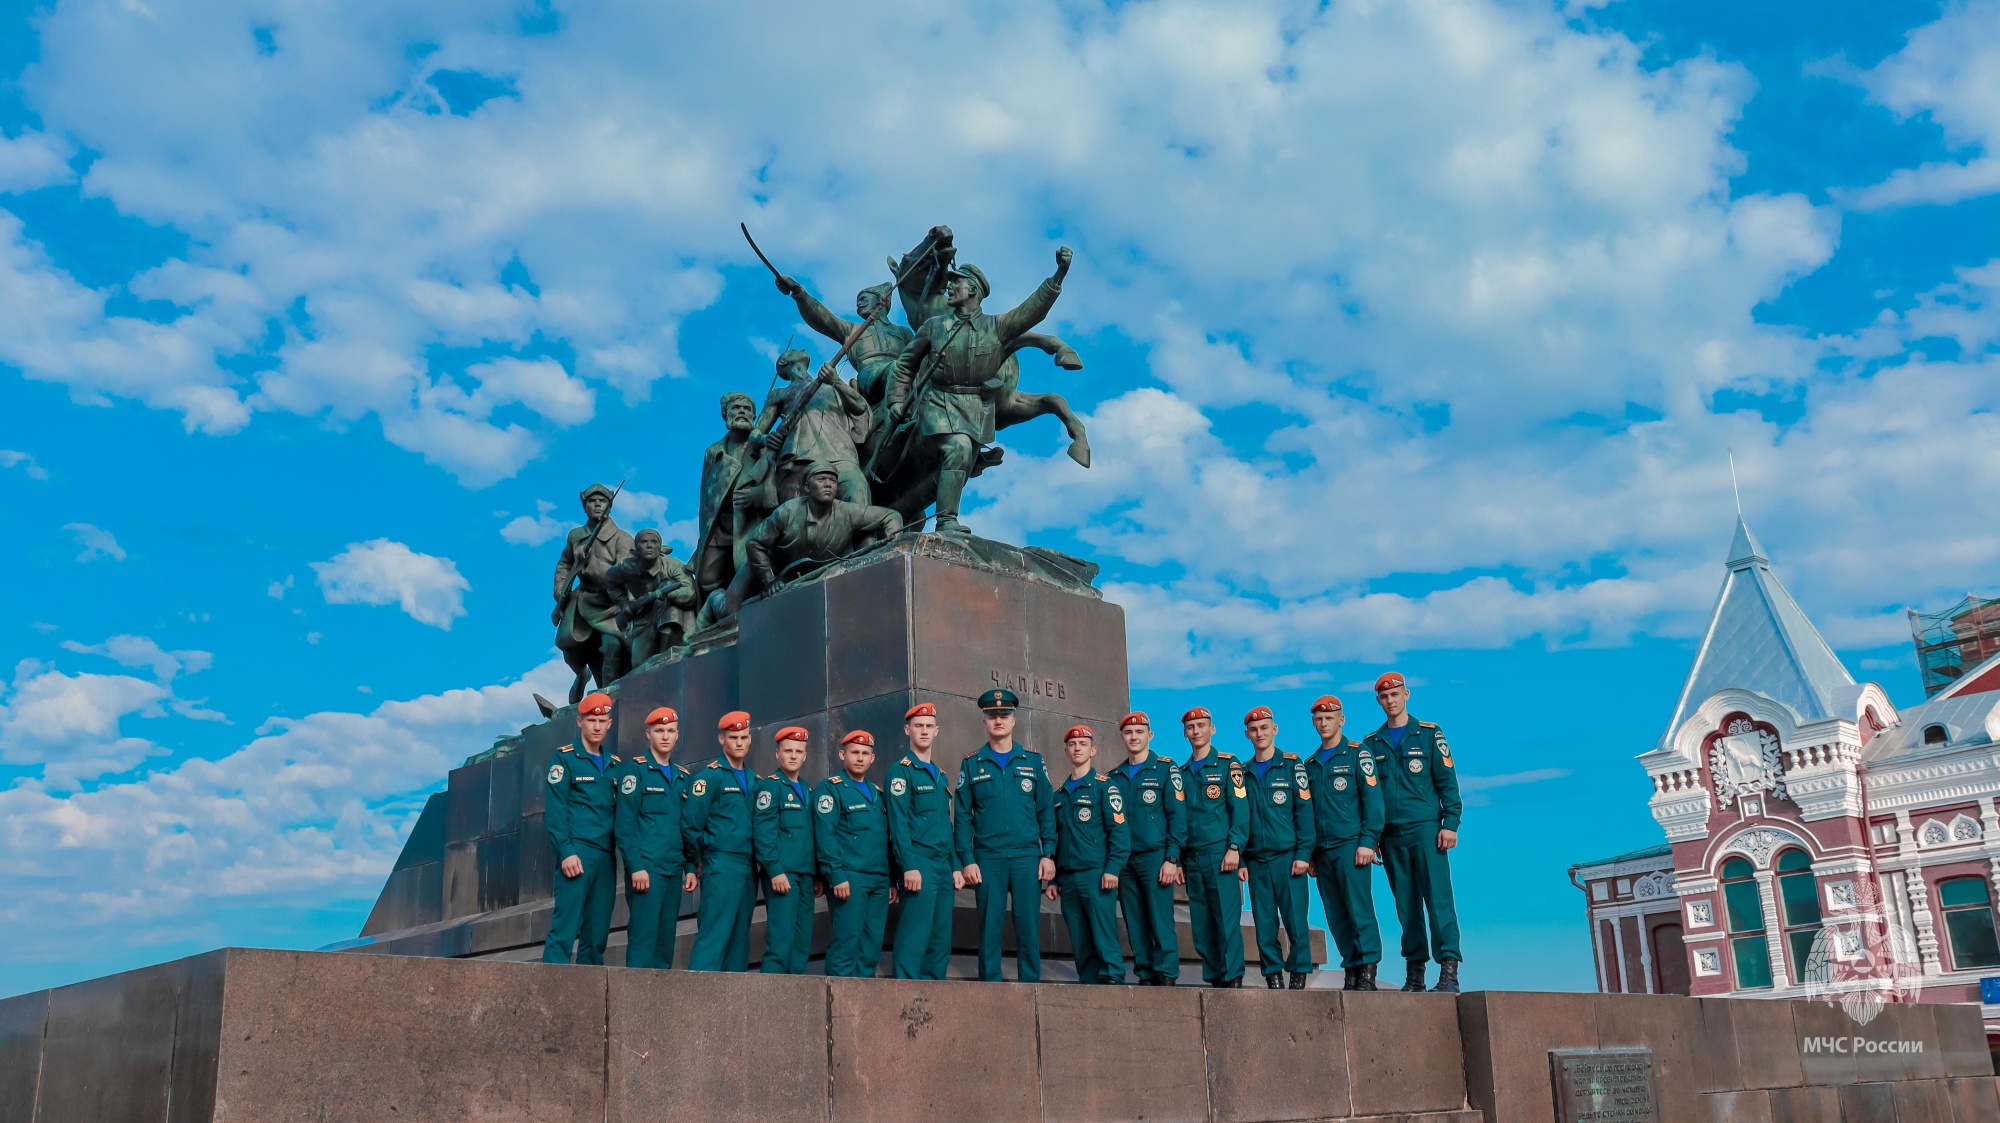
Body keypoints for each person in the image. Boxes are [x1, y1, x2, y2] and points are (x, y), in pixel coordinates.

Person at [886, 247, 1073, 535]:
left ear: (972, 289)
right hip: (939, 401)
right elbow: (904, 366)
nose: (949, 286)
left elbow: (1032, 310)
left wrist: (1059, 274)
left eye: (955, 282)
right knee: (958, 448)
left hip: (975, 407)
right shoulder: (934, 326)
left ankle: (911, 507)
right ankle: (946, 521)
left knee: (961, 463)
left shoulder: (997, 327)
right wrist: (897, 400)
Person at [1360, 672, 1465, 993]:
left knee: (1438, 900)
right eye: (1384, 697)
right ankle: (1415, 974)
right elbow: (1370, 797)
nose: (1390, 701)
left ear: (1407, 695)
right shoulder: (1370, 744)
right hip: (1391, 836)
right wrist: (1373, 835)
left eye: (1395, 695)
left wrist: (1451, 822)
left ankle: (1449, 972)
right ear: (1378, 701)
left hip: (1427, 829)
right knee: (1406, 904)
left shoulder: (1430, 734)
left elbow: (1447, 781)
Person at [954, 688, 1057, 981]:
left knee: (1028, 928)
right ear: (984, 722)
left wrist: (1048, 853)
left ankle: (1031, 987)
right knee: (989, 927)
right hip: (988, 858)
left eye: (1004, 715)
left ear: (1014, 721)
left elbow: (1046, 811)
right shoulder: (972, 764)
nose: (998, 720)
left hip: (1027, 857)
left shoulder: (1033, 762)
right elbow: (962, 816)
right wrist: (966, 859)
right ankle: (990, 989)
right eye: (992, 716)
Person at [1301, 696, 1384, 991]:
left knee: (1359, 909)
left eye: (1329, 718)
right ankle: (1350, 966)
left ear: (1341, 720)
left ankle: (1368, 969)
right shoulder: (1309, 766)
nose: (1324, 724)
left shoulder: (1357, 754)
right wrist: (1309, 853)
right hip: (1322, 852)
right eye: (1319, 720)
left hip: (1351, 846)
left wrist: (1368, 841)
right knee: (1335, 913)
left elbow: (1372, 801)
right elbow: (1306, 813)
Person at [615, 707, 697, 969]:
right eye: (659, 731)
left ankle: (657, 1006)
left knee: (665, 944)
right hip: (647, 869)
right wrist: (636, 867)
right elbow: (625, 825)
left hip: (673, 869)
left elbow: (686, 827)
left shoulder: (683, 778)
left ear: (677, 735)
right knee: (643, 940)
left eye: (670, 731)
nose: (665, 736)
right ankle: (632, 1007)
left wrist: (689, 867)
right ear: (648, 734)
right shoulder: (635, 772)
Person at [541, 692, 621, 964]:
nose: (597, 726)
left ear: (610, 724)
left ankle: (589, 999)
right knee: (564, 930)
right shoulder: (564, 759)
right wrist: (566, 851)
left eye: (602, 720)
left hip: (606, 858)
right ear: (580, 722)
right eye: (591, 720)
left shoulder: (616, 767)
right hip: (577, 852)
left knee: (596, 935)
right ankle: (550, 997)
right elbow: (555, 811)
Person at [1108, 712, 1186, 986]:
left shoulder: (1165, 769)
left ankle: (1166, 972)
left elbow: (1177, 816)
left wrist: (1172, 858)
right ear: (1122, 737)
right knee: (1135, 920)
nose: (1134, 737)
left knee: (1160, 918)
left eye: (1139, 732)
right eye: (1129, 733)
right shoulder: (1113, 777)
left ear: (1149, 736)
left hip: (1155, 857)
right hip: (1125, 860)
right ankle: (1146, 971)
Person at [1047, 726, 1129, 985]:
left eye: (1083, 744)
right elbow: (1056, 840)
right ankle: (1090, 984)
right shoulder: (1058, 796)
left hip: (1097, 874)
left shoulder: (1105, 788)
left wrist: (1113, 868)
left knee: (1103, 933)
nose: (1077, 748)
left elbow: (1119, 831)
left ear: (1092, 750)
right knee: (1080, 938)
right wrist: (1053, 880)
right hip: (1068, 879)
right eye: (1072, 744)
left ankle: (1113, 979)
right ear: (1066, 751)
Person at [886, 702, 963, 980]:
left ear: (937, 731)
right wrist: (908, 865)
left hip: (943, 866)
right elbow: (898, 825)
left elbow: (946, 825)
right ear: (908, 730)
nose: (924, 731)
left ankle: (934, 997)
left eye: (929, 726)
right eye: (918, 726)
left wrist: (955, 865)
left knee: (940, 938)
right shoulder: (901, 772)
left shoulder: (941, 776)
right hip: (919, 863)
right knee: (914, 935)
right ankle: (906, 996)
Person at [1240, 706, 1315, 988]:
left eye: (1264, 727)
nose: (1259, 733)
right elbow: (1240, 819)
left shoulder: (1292, 765)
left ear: (1275, 729)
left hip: (1288, 858)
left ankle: (1298, 973)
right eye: (1254, 729)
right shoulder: (1243, 773)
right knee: (1264, 923)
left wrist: (1304, 853)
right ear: (1247, 735)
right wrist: (1243, 860)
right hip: (1257, 860)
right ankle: (1272, 974)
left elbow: (1304, 812)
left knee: (1296, 920)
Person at [683, 711, 760, 971]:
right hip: (721, 863)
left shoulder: (755, 781)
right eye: (733, 737)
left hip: (749, 868)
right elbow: (691, 823)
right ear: (721, 739)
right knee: (713, 940)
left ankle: (732, 1010)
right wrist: (697, 862)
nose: (739, 742)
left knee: (739, 945)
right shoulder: (710, 777)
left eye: (744, 737)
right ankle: (696, 1005)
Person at [1179, 706, 1248, 987]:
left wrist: (1234, 847)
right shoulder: (1181, 773)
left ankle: (1233, 978)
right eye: (1191, 727)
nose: (1196, 731)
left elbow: (1240, 810)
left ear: (1212, 729)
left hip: (1220, 854)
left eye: (1201, 725)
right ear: (1185, 733)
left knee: (1226, 921)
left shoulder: (1228, 764)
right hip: (1192, 858)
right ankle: (1215, 976)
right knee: (1202, 924)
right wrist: (1179, 859)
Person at [815, 730, 892, 977]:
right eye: (854, 752)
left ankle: (862, 1011)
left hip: (878, 880)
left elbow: (885, 839)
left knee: (870, 950)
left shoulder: (879, 795)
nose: (860, 758)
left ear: (872, 758)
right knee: (846, 945)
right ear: (842, 755)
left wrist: (891, 880)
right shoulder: (831, 789)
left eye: (865, 753)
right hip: (850, 878)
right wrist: (835, 875)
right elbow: (825, 836)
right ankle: (837, 1012)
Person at [552, 484, 636, 702]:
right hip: (582, 601)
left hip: (610, 604)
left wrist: (592, 562)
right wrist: (561, 589)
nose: (597, 504)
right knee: (570, 648)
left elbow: (622, 576)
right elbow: (564, 563)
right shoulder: (575, 535)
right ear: (584, 506)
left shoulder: (623, 539)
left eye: (602, 501)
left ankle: (607, 698)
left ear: (609, 505)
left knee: (612, 645)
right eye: (592, 501)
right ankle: (581, 675)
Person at [752, 727, 819, 974]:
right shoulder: (771, 787)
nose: (793, 755)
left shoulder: (808, 791)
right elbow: (763, 832)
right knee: (780, 943)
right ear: (777, 753)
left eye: (798, 751)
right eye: (788, 750)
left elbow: (810, 837)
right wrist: (774, 869)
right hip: (783, 875)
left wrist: (817, 875)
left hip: (805, 876)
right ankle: (771, 1006)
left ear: (805, 756)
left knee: (801, 946)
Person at [605, 528, 698, 667]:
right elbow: (610, 581)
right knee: (638, 664)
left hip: (671, 611)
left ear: (659, 547)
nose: (649, 545)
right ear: (636, 547)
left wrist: (665, 593)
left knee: (669, 584)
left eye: (654, 542)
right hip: (644, 617)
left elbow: (690, 593)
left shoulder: (673, 565)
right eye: (644, 542)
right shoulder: (626, 567)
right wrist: (623, 603)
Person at [696, 392, 758, 597]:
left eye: (747, 409)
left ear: (754, 416)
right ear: (725, 414)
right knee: (706, 579)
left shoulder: (763, 444)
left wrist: (757, 495)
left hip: (751, 520)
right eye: (736, 408)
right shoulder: (713, 451)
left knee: (748, 568)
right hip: (720, 524)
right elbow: (705, 494)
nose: (742, 411)